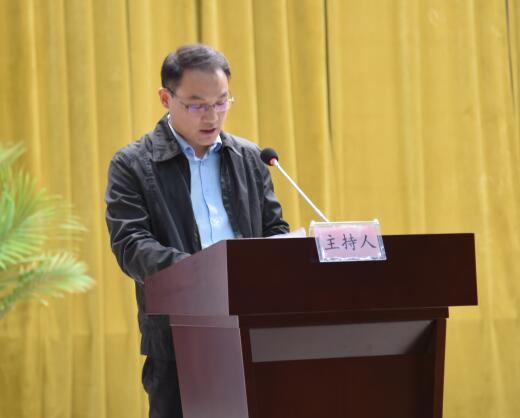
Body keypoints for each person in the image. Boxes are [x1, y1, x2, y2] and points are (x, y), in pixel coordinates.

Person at [105, 44, 289, 418]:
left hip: (251, 331)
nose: (212, 116)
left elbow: (274, 229)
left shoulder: (250, 159)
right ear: (165, 98)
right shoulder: (132, 164)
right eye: (196, 105)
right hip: (177, 338)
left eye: (222, 102)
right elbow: (131, 245)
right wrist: (205, 273)